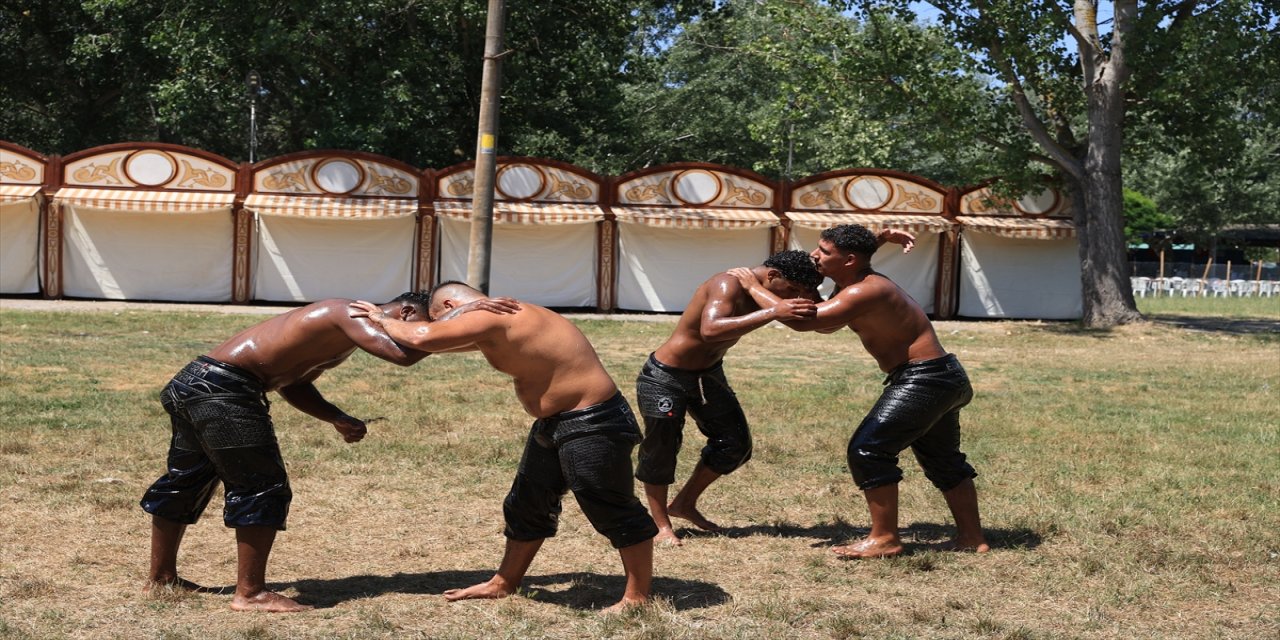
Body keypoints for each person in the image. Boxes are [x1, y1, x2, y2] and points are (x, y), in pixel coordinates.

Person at [139, 292, 518, 612]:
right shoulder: (347, 311)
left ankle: (162, 579)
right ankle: (250, 593)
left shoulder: (342, 334)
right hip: (222, 390)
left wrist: (337, 417)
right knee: (261, 486)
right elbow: (406, 353)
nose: (420, 331)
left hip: (199, 385)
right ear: (405, 313)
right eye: (423, 322)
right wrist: (462, 314)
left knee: (187, 480)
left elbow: (294, 383)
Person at [350, 282, 658, 612]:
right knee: (527, 504)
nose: (446, 324)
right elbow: (437, 345)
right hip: (558, 422)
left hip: (592, 422)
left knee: (611, 506)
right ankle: (503, 583)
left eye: (443, 316)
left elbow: (424, 336)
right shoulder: (498, 318)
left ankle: (637, 598)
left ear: (453, 304)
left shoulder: (490, 315)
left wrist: (381, 318)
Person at [729, 224, 989, 559]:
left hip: (926, 379)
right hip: (941, 378)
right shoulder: (852, 284)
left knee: (868, 450)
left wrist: (753, 286)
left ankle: (885, 539)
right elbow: (830, 320)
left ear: (849, 260)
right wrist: (877, 240)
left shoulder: (864, 290)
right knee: (943, 460)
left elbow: (808, 321)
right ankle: (972, 538)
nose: (814, 255)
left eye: (824, 251)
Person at [635, 250, 821, 546]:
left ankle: (683, 505)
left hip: (708, 375)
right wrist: (773, 312)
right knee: (662, 448)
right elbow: (710, 330)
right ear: (773, 276)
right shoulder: (728, 284)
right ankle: (660, 524)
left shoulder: (769, 283)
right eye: (793, 291)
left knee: (735, 445)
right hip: (666, 377)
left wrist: (877, 241)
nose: (794, 298)